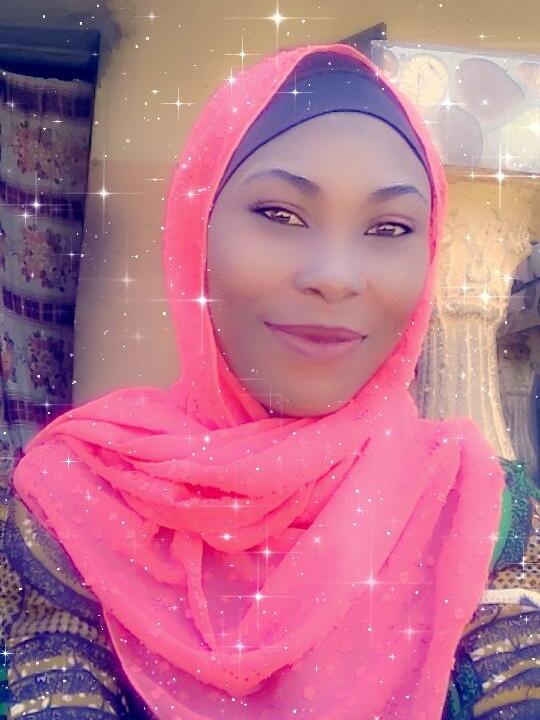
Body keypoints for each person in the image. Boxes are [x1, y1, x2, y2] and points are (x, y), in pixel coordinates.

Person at [3, 40, 540, 720]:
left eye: (388, 227)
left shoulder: (473, 510)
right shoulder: (81, 497)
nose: (335, 277)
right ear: (196, 231)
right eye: (280, 215)